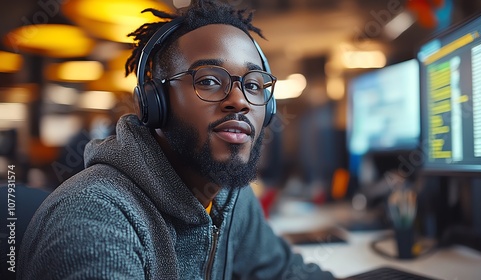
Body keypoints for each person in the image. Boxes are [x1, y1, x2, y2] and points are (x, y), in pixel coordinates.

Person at [18, 1, 335, 279]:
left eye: (253, 85)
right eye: (209, 81)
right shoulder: (94, 222)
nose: (239, 100)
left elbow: (284, 272)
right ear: (155, 104)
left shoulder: (229, 195)